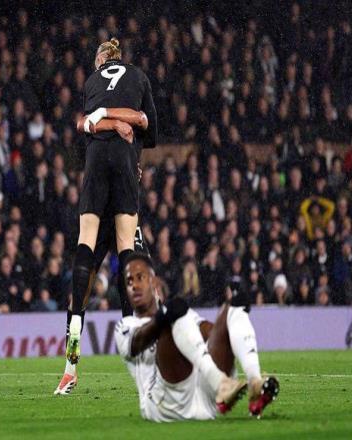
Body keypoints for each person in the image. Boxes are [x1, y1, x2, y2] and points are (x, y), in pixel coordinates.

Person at [65, 38, 157, 380]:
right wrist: (121, 125)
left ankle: (71, 356)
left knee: (84, 249)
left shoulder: (92, 81)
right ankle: (133, 342)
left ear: (102, 59)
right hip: (124, 171)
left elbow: (84, 124)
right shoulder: (139, 77)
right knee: (127, 251)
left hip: (95, 169)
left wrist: (103, 115)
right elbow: (146, 125)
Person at [115, 252, 279, 422]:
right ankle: (220, 383)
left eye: (140, 277)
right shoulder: (126, 326)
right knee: (172, 319)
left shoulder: (181, 314)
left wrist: (228, 331)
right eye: (129, 281)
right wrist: (163, 316)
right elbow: (138, 341)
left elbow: (209, 331)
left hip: (202, 398)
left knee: (235, 308)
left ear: (154, 282)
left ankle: (254, 383)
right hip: (164, 404)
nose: (134, 285)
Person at [54, 107, 150, 395]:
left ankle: (75, 370)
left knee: (128, 289)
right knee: (92, 292)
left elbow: (85, 124)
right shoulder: (110, 117)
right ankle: (74, 368)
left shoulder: (110, 119)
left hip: (110, 215)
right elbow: (84, 124)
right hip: (110, 216)